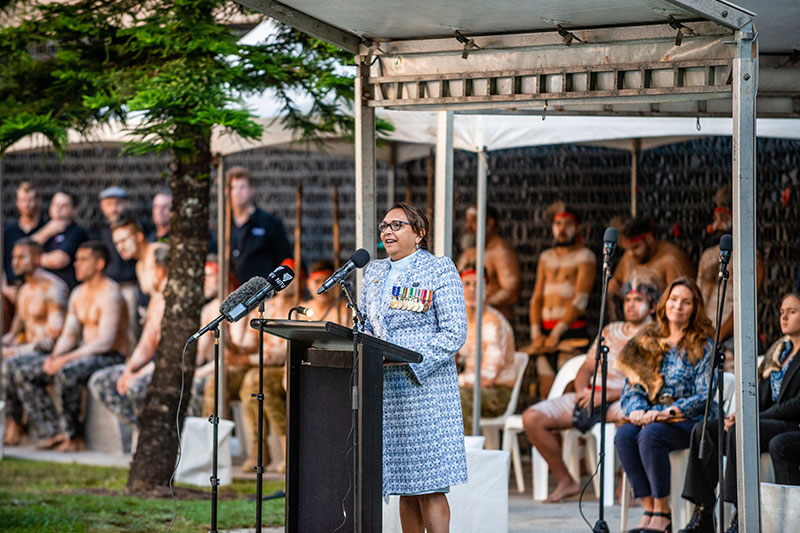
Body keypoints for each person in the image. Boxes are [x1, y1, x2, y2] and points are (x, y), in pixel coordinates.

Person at [360, 201, 467, 533]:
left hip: (425, 389)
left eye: (397, 226)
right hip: (386, 390)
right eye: (384, 226)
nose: (387, 232)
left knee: (430, 484)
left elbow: (454, 332)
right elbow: (365, 322)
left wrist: (403, 355)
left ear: (419, 234)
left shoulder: (438, 269)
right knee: (405, 483)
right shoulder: (374, 272)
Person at [521, 278, 661, 503]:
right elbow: (587, 366)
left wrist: (603, 396)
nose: (631, 305)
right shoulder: (610, 329)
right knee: (532, 417)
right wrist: (581, 391)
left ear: (653, 306)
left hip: (624, 398)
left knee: (633, 419)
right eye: (627, 299)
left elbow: (648, 382)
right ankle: (566, 480)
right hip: (591, 395)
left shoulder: (658, 335)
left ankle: (627, 488)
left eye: (638, 300)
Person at [678, 292, 800, 533]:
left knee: (739, 431)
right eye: (782, 311)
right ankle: (703, 511)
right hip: (766, 421)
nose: (783, 316)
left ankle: (740, 514)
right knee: (705, 429)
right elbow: (760, 396)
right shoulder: (779, 352)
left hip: (790, 424)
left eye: (792, 311)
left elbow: (796, 404)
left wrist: (751, 419)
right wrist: (743, 414)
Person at [5, 241, 130, 451]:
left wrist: (65, 359)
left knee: (67, 372)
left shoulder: (111, 294)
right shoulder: (78, 294)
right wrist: (54, 357)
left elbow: (105, 342)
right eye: (76, 259)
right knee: (24, 373)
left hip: (110, 355)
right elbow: (69, 336)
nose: (76, 264)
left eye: (83, 259)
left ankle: (74, 436)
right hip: (83, 353)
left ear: (99, 264)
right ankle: (52, 430)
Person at [613, 277, 715, 533]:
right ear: (664, 303)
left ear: (695, 308)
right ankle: (648, 508)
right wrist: (638, 410)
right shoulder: (647, 339)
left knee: (651, 435)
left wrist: (665, 413)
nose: (678, 306)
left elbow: (705, 394)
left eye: (686, 302)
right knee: (625, 434)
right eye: (673, 300)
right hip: (652, 416)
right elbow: (633, 385)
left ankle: (663, 511)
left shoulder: (703, 344)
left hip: (687, 420)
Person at [86, 246, 169, 427]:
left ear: (160, 271)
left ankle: (156, 433)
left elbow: (173, 355)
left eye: (150, 269)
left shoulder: (176, 304)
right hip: (149, 366)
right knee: (101, 381)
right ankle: (143, 429)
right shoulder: (156, 301)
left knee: (136, 387)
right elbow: (147, 343)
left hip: (170, 368)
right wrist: (129, 370)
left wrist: (139, 374)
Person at [2, 239, 69, 446]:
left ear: (38, 259)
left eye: (22, 257)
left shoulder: (53, 288)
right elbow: (14, 332)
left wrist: (15, 352)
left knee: (12, 365)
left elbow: (53, 339)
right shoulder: (24, 291)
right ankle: (13, 421)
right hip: (28, 349)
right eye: (14, 257)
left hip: (49, 352)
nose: (15, 262)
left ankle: (23, 424)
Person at [526, 202, 596, 397]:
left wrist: (557, 333)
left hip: (570, 334)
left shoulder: (585, 256)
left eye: (567, 224)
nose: (562, 229)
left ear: (578, 228)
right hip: (545, 336)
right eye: (557, 224)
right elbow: (537, 298)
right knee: (546, 394)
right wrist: (535, 333)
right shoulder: (545, 257)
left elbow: (580, 299)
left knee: (566, 393)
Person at [696, 185, 764, 371]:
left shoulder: (750, 258)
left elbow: (744, 306)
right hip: (704, 335)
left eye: (723, 219)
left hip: (734, 339)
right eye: (715, 219)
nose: (716, 226)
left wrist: (717, 336)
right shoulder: (707, 256)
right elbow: (697, 297)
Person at [457, 266, 517, 436]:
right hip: (470, 385)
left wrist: (455, 381)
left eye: (478, 284)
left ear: (488, 289)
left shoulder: (493, 323)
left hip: (498, 391)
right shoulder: (462, 320)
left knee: (460, 396)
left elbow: (488, 376)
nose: (472, 289)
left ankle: (466, 455)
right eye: (467, 284)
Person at [227, 166, 292, 285]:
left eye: (242, 187)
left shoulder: (269, 222)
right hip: (234, 295)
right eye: (233, 188)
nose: (238, 192)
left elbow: (285, 258)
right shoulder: (225, 225)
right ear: (227, 192)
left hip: (264, 294)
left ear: (251, 190)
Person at [456, 205, 521, 321]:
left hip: (495, 322)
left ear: (490, 223)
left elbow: (511, 291)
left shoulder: (501, 250)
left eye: (474, 221)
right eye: (467, 221)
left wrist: (481, 304)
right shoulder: (470, 252)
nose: (468, 227)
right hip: (470, 324)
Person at [609, 216, 694, 300]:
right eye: (627, 249)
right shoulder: (629, 257)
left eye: (635, 247)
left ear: (649, 238)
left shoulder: (670, 260)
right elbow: (615, 282)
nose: (630, 254)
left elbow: (682, 301)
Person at [29, 191, 89, 290]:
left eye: (63, 206)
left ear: (74, 210)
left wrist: (31, 260)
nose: (58, 209)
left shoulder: (77, 232)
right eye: (55, 204)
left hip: (65, 289)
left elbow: (60, 260)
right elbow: (24, 248)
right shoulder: (42, 227)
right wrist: (46, 232)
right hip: (40, 288)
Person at [3, 182, 46, 292]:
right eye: (23, 200)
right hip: (12, 288)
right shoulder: (8, 231)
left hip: (40, 289)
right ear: (17, 202)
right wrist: (5, 288)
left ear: (39, 200)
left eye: (30, 200)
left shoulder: (46, 227)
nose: (27, 204)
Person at [111, 218, 168, 298]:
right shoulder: (139, 267)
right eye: (116, 243)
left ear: (139, 236)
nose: (120, 247)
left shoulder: (158, 252)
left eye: (123, 240)